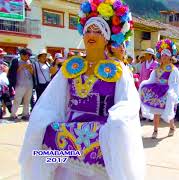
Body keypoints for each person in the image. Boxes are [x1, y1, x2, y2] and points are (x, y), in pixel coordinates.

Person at [19, 1, 145, 179]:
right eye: (88, 30)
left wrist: (115, 124)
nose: (91, 35)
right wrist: (43, 121)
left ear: (108, 37)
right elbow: (52, 100)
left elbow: (128, 102)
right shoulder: (72, 66)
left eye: (98, 31)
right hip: (68, 134)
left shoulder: (118, 69)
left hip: (99, 134)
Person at [140, 39, 179, 139]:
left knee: (169, 110)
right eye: (162, 55)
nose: (164, 57)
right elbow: (152, 79)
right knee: (156, 112)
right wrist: (144, 85)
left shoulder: (173, 69)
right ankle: (155, 130)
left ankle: (172, 127)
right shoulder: (157, 68)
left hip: (166, 92)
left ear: (170, 56)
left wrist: (171, 93)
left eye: (166, 55)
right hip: (157, 92)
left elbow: (174, 83)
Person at [8, 48, 34, 121]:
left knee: (27, 100)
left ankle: (25, 114)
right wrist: (22, 67)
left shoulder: (30, 61)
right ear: (22, 54)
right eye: (27, 55)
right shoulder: (16, 61)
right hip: (20, 84)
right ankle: (13, 114)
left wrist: (30, 69)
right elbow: (12, 72)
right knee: (17, 100)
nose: (28, 57)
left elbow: (33, 74)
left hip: (29, 83)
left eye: (29, 55)